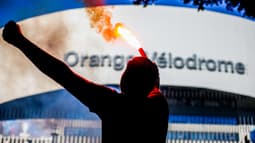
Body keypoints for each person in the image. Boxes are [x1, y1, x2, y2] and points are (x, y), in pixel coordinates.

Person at [2, 20, 169, 143]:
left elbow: (61, 73)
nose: (132, 60)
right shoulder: (158, 107)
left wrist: (20, 41)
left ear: (125, 81)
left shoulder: (113, 104)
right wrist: (152, 78)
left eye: (130, 66)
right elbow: (154, 92)